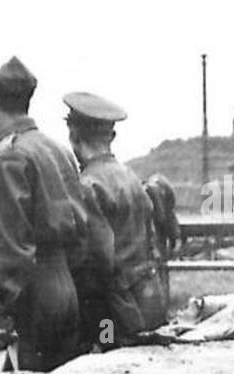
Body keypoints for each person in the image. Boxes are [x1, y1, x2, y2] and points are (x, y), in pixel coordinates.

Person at [0, 57, 103, 372]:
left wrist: (1, 317)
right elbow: (82, 232)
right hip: (65, 288)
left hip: (29, 299)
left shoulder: (9, 155)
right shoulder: (57, 149)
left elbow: (10, 246)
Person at [64, 91, 169, 346]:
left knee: (109, 367)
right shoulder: (131, 177)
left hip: (112, 313)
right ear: (111, 137)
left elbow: (100, 261)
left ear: (74, 136)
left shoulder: (87, 186)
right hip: (148, 300)